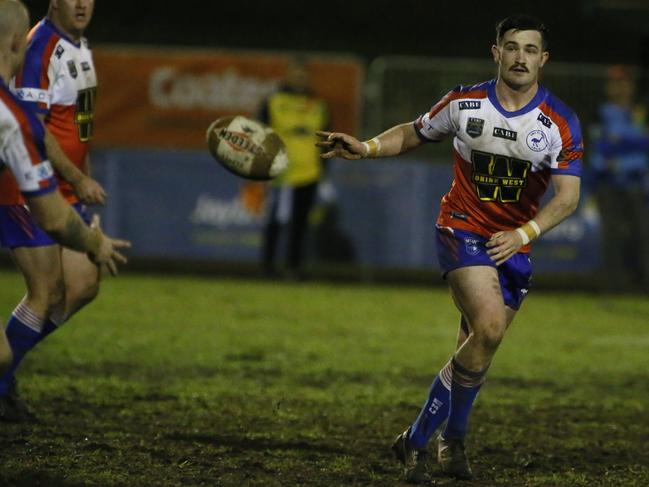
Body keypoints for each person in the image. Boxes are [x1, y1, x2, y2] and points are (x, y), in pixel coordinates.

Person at [317, 14, 582, 482]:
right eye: (512, 47)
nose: (520, 57)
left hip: (512, 245)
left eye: (530, 49)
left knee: (478, 347)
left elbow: (567, 198)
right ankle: (418, 439)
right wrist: (367, 146)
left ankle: (451, 443)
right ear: (496, 52)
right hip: (462, 228)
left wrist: (522, 236)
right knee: (490, 327)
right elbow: (415, 132)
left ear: (544, 59)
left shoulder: (559, 122)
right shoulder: (465, 102)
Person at [0, 0, 128, 401]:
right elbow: (32, 130)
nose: (81, 3)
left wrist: (78, 181)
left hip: (62, 188)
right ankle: (3, 381)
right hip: (29, 188)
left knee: (84, 283)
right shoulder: (39, 49)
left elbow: (75, 126)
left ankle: (8, 363)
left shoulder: (80, 45)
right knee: (46, 292)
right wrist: (76, 178)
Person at [259, 58, 329, 279]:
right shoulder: (273, 101)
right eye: (295, 73)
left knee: (300, 224)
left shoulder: (318, 105)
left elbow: (328, 137)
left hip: (309, 172)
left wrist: (324, 167)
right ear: (287, 75)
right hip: (280, 172)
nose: (300, 78)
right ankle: (267, 268)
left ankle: (293, 268)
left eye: (303, 74)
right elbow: (259, 134)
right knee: (275, 221)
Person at [590, 65, 649, 292]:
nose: (620, 87)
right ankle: (612, 286)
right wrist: (632, 145)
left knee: (643, 234)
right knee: (611, 236)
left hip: (636, 184)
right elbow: (599, 151)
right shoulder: (600, 112)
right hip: (608, 185)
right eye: (615, 83)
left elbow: (643, 149)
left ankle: (643, 284)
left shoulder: (639, 112)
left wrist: (619, 148)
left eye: (623, 82)